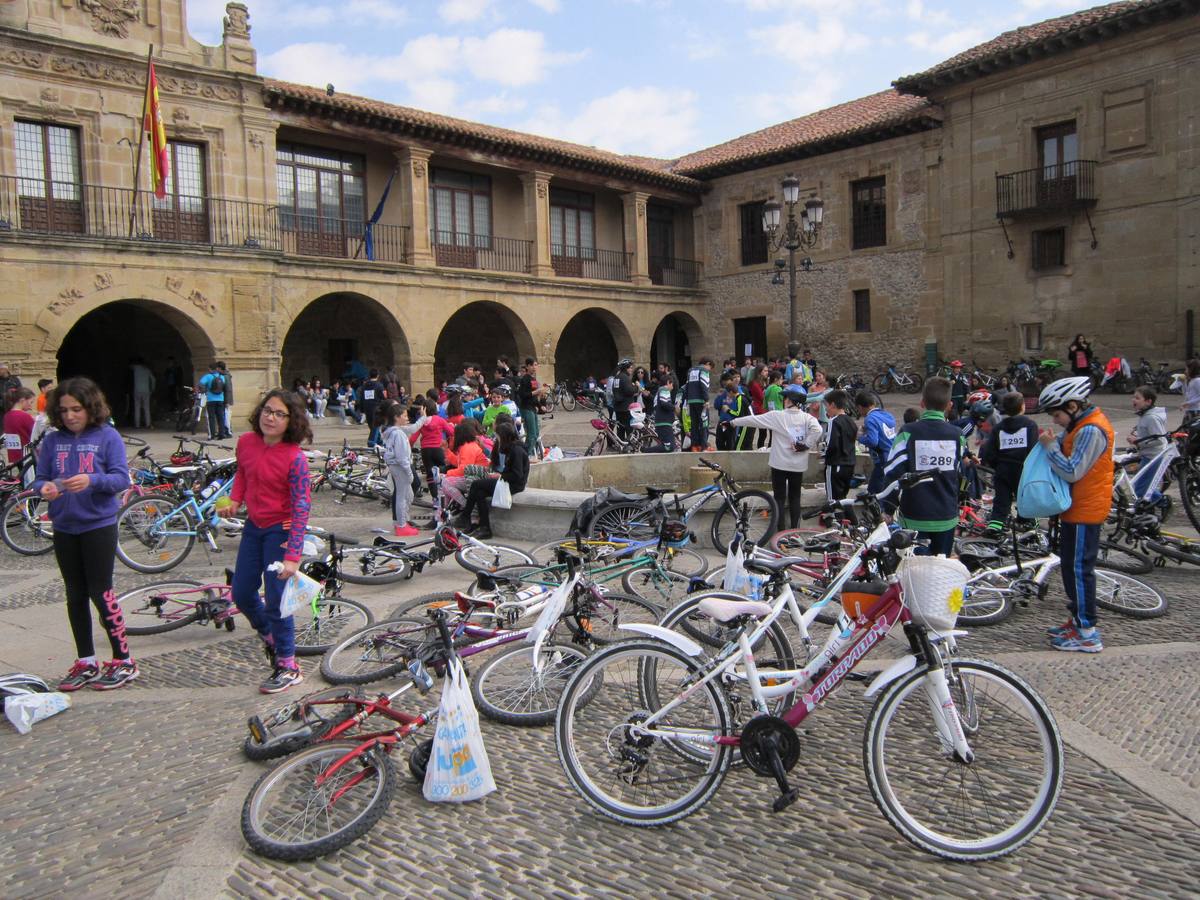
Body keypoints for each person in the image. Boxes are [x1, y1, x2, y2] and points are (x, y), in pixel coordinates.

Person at [32, 378, 135, 691]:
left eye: (76, 409)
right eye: (63, 410)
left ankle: (123, 660)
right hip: (64, 524)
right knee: (74, 593)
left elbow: (121, 479)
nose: (70, 416)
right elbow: (40, 479)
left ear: (90, 408)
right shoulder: (51, 441)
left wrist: (92, 480)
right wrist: (44, 489)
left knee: (101, 592)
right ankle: (86, 660)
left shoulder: (108, 437)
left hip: (98, 524)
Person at [218, 389, 312, 692]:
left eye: (279, 414)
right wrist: (235, 499)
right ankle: (270, 636)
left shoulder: (295, 458)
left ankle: (289, 664)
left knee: (276, 599)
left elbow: (301, 507)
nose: (270, 417)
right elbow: (244, 473)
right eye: (267, 411)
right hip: (254, 526)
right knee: (242, 592)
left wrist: (293, 555)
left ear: (291, 421)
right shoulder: (246, 442)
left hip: (281, 532)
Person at [1037, 376, 1114, 653]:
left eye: (1057, 414)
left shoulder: (1091, 430)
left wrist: (1050, 447)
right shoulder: (1081, 426)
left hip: (1085, 510)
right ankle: (1077, 620)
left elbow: (1072, 470)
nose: (1055, 420)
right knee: (1070, 568)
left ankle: (1087, 631)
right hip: (1077, 508)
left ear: (1072, 406)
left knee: (1080, 571)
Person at [879, 377, 964, 556]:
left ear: (922, 403)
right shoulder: (957, 436)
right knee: (940, 571)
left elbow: (893, 472)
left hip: (914, 515)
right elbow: (958, 472)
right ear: (949, 405)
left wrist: (887, 509)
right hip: (946, 515)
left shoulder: (908, 432)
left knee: (914, 571)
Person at [730, 384, 822, 528]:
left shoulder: (777, 416)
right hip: (797, 466)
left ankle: (780, 532)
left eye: (785, 397)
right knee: (795, 497)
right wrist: (805, 445)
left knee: (779, 498)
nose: (784, 400)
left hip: (779, 464)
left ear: (790, 400)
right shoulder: (807, 418)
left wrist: (733, 422)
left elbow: (753, 420)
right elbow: (818, 430)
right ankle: (794, 531)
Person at [455, 421, 528, 540]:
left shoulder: (517, 450)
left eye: (498, 437)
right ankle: (484, 528)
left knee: (476, 484)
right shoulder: (512, 448)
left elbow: (517, 475)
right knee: (479, 493)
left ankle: (465, 516)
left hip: (512, 485)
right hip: (507, 481)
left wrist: (500, 476)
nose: (497, 439)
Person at [980, 391, 1038, 530]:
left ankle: (995, 527)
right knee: (1024, 500)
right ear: (1023, 406)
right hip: (1022, 470)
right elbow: (1033, 449)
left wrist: (997, 465)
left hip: (1003, 469)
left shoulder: (998, 428)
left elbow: (990, 451)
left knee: (1001, 501)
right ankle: (1027, 526)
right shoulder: (1030, 425)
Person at [381, 400, 425, 537]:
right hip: (400, 468)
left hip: (396, 467)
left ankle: (402, 523)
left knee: (405, 495)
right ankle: (401, 525)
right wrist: (408, 472)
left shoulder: (392, 431)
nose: (407, 418)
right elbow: (401, 457)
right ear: (396, 417)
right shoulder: (398, 434)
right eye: (404, 416)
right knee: (401, 497)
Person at [441, 420, 490, 510]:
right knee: (445, 484)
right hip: (475, 477)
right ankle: (443, 511)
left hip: (477, 478)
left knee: (446, 482)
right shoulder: (467, 446)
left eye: (455, 435)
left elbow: (464, 469)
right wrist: (446, 450)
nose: (453, 437)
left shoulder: (468, 447)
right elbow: (459, 462)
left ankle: (467, 506)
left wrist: (447, 473)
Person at [410, 395, 454, 493]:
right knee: (443, 470)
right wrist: (451, 426)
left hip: (425, 451)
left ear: (423, 409)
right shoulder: (439, 420)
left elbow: (413, 438)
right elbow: (451, 432)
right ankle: (443, 493)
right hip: (438, 449)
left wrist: (409, 447)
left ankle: (434, 499)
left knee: (430, 475)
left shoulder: (420, 422)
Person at [855, 391, 896, 496]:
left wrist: (859, 437)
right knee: (886, 485)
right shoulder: (887, 414)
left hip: (882, 458)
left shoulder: (870, 419)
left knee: (874, 491)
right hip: (893, 454)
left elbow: (873, 442)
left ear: (860, 407)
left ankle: (879, 510)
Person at [823, 389, 857, 501]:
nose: (826, 409)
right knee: (843, 500)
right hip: (849, 465)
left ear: (832, 405)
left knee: (833, 502)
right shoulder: (851, 421)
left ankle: (835, 518)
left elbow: (831, 445)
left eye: (826, 406)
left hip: (835, 465)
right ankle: (849, 518)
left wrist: (824, 454)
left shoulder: (834, 421)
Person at [1128, 386, 1167, 466]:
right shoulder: (1146, 415)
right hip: (1148, 455)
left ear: (1148, 402)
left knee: (1144, 479)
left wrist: (1137, 441)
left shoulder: (1151, 418)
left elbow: (1159, 440)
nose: (1133, 400)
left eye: (1137, 398)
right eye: (1134, 397)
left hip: (1153, 458)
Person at [683, 358, 713, 452]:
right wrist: (706, 400)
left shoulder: (691, 371)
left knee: (694, 424)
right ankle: (704, 446)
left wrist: (687, 400)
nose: (709, 370)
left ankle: (695, 446)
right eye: (710, 368)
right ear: (707, 364)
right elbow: (703, 384)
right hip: (701, 401)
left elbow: (687, 386)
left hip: (691, 401)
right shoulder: (704, 370)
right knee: (704, 423)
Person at [3, 387, 36, 466]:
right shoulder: (24, 416)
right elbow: (35, 434)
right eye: (31, 402)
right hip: (27, 454)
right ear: (22, 401)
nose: (31, 406)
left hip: (14, 454)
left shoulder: (7, 415)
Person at [517, 357, 542, 459]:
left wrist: (540, 406)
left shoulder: (533, 379)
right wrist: (536, 392)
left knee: (536, 433)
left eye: (535, 365)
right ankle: (526, 455)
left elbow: (534, 397)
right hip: (526, 408)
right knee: (531, 434)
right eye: (532, 365)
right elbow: (522, 394)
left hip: (532, 408)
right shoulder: (525, 378)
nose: (534, 367)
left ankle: (531, 453)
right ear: (527, 366)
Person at [714, 378, 747, 451]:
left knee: (731, 444)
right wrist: (719, 396)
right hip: (722, 422)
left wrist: (728, 410)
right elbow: (716, 406)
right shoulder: (723, 394)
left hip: (732, 423)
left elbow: (739, 413)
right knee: (719, 442)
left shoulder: (738, 397)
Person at [610, 358, 638, 440]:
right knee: (629, 428)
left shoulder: (617, 377)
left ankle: (621, 444)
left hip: (618, 407)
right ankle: (630, 445)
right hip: (626, 407)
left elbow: (614, 390)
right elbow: (629, 391)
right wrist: (635, 387)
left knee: (620, 428)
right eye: (630, 368)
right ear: (626, 368)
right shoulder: (625, 378)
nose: (631, 370)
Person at [649, 372, 677, 452]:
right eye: (672, 384)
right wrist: (674, 408)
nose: (672, 387)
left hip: (662, 423)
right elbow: (664, 403)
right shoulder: (664, 389)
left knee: (668, 446)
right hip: (664, 423)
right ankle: (646, 450)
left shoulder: (659, 391)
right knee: (669, 446)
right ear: (668, 382)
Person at [199, 362, 227, 440]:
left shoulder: (208, 376)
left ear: (210, 369)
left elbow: (201, 383)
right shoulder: (222, 377)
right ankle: (222, 434)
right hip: (220, 399)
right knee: (220, 417)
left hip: (211, 399)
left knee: (211, 418)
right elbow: (223, 386)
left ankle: (212, 435)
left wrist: (204, 390)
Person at [129, 357, 155, 429]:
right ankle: (148, 424)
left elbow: (130, 367)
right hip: (146, 391)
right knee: (146, 408)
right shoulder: (147, 370)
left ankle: (137, 425)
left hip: (137, 390)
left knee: (137, 407)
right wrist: (152, 389)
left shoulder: (135, 368)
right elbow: (153, 379)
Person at [360, 369, 385, 435]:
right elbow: (383, 397)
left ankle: (377, 441)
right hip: (376, 408)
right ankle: (373, 441)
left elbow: (362, 398)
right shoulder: (379, 385)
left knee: (371, 426)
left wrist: (362, 410)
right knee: (376, 427)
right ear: (377, 376)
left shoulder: (364, 386)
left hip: (367, 408)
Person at [217, 361, 234, 439]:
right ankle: (224, 431)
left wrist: (227, 401)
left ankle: (228, 431)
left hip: (225, 399)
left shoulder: (225, 376)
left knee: (226, 416)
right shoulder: (223, 375)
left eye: (217, 368)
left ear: (220, 368)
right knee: (223, 416)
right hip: (223, 399)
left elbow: (228, 389)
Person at [1181, 358, 1200, 427]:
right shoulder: (1191, 380)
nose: (1185, 371)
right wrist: (1183, 383)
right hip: (1189, 410)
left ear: (1192, 370)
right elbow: (1186, 394)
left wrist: (1187, 403)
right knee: (1184, 432)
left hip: (1195, 411)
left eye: (1186, 369)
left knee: (1190, 432)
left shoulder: (1197, 381)